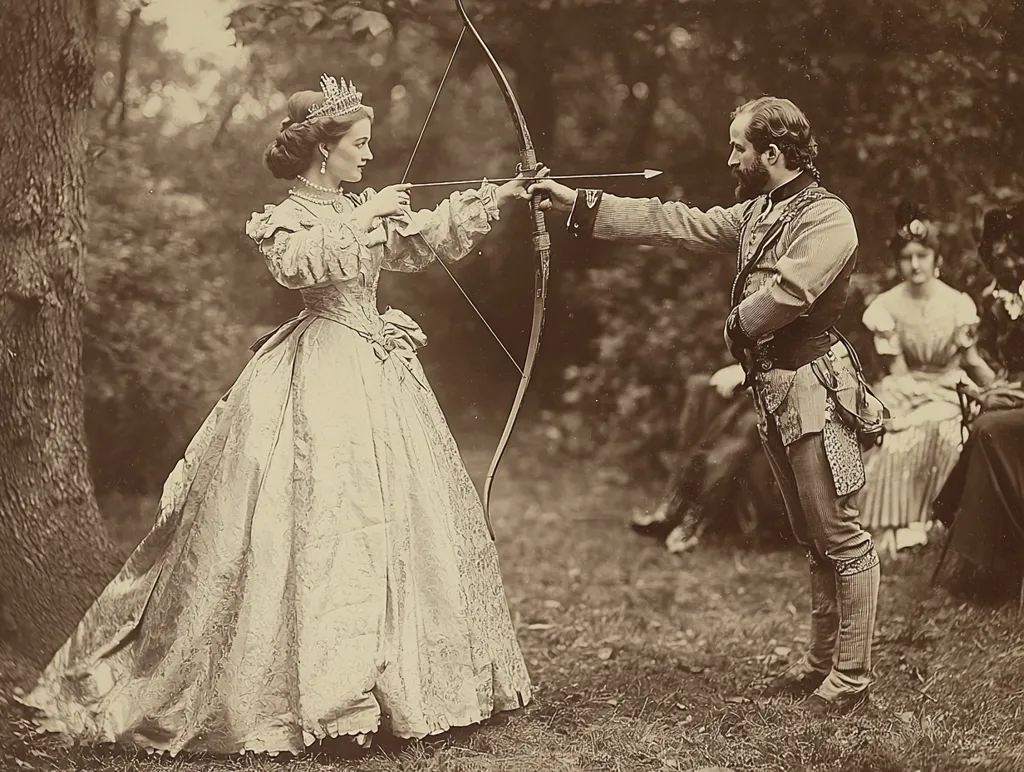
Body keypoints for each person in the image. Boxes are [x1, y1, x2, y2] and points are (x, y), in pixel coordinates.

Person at [17, 75, 537, 756]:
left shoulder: (363, 205)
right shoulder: (285, 217)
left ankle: (399, 687)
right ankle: (329, 701)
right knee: (320, 525)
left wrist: (498, 196)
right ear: (323, 150)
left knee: (391, 526)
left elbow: (418, 243)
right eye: (359, 144)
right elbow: (300, 266)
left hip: (375, 369)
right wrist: (366, 213)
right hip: (316, 371)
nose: (369, 156)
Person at [531, 96, 879, 716]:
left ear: (771, 155)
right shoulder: (761, 210)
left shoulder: (829, 218)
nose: (730, 158)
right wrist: (577, 202)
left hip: (817, 388)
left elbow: (792, 293)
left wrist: (736, 326)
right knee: (810, 534)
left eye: (739, 148)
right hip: (776, 389)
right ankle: (821, 665)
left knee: (839, 534)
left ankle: (849, 678)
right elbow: (679, 223)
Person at [858, 202, 994, 557]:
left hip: (950, 387)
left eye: (923, 255)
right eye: (907, 257)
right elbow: (899, 372)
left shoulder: (959, 304)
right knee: (898, 432)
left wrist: (998, 387)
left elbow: (971, 362)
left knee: (950, 430)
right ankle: (898, 525)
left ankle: (938, 524)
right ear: (898, 262)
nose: (915, 264)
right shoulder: (886, 307)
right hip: (908, 390)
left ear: (936, 258)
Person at [933, 203, 1024, 583]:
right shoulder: (996, 299)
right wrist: (994, 387)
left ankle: (985, 559)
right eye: (998, 257)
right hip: (1015, 395)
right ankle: (987, 565)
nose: (1007, 265)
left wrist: (1014, 394)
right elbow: (988, 359)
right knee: (987, 426)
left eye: (1012, 255)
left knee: (989, 429)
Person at [630, 364, 786, 554]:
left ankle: (691, 520)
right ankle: (673, 507)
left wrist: (754, 380)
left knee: (744, 428)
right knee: (701, 389)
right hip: (757, 389)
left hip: (784, 396)